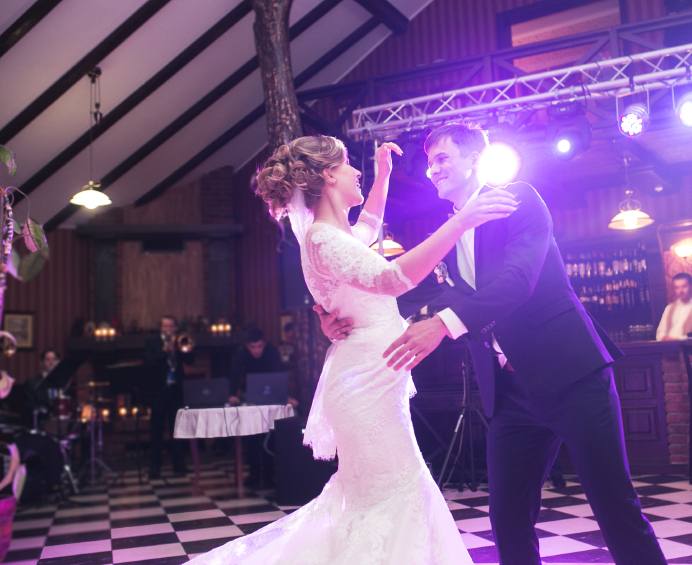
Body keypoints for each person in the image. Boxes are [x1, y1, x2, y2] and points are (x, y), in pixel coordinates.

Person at [319, 122, 666, 565]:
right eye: (429, 163)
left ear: (474, 160)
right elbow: (406, 292)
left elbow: (517, 282)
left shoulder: (517, 200)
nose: (433, 170)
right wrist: (340, 314)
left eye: (443, 158)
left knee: (615, 507)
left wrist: (443, 324)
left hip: (571, 376)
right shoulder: (450, 231)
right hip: (509, 396)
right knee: (507, 516)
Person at [186, 135, 515, 564]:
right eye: (349, 166)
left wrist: (382, 176)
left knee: (391, 494)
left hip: (373, 378)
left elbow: (369, 227)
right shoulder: (323, 239)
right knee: (391, 494)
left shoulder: (333, 235)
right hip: (364, 385)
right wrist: (459, 223)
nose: (356, 172)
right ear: (327, 175)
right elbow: (394, 279)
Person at [228, 328, 293, 488]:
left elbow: (279, 373)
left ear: (264, 344)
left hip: (270, 395)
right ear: (247, 346)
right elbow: (234, 373)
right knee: (251, 436)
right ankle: (254, 473)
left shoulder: (271, 350)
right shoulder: (242, 352)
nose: (256, 350)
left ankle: (270, 474)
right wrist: (231, 394)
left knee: (269, 436)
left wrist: (286, 395)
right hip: (249, 396)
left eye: (259, 347)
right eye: (253, 347)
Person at [144, 316, 193, 479]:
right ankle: (154, 467)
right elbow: (147, 362)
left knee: (177, 429)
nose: (168, 329)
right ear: (161, 328)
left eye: (171, 326)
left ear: (175, 328)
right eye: (165, 326)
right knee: (156, 430)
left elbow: (191, 361)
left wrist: (183, 349)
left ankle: (179, 465)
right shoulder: (152, 342)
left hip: (176, 391)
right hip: (158, 391)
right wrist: (164, 350)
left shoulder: (181, 342)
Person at [656, 272, 692, 341]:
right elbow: (659, 334)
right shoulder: (669, 308)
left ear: (691, 286)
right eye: (677, 287)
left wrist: (677, 340)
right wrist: (665, 338)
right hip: (669, 349)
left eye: (684, 286)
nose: (680, 291)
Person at [23, 349, 60, 428]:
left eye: (54, 359)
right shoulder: (32, 383)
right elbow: (29, 407)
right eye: (47, 359)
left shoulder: (64, 383)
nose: (51, 362)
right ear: (41, 363)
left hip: (60, 422)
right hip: (40, 423)